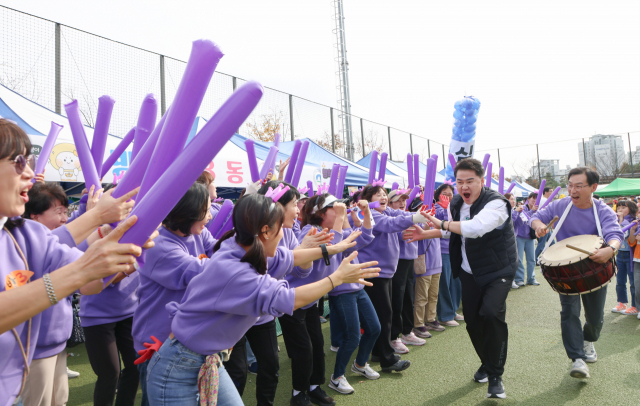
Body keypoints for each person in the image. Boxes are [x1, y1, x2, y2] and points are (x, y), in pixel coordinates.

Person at [144, 194, 380, 406]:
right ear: (265, 231)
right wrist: (336, 278)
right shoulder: (239, 272)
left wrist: (331, 249)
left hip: (203, 358)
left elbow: (288, 257)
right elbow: (290, 298)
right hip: (179, 367)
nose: (285, 235)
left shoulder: (239, 246)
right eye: (281, 229)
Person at [0, 119, 157, 406]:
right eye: (18, 161)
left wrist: (123, 249)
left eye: (30, 161)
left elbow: (90, 284)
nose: (31, 174)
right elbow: (79, 272)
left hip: (39, 357)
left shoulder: (24, 233)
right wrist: (85, 261)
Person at [404, 158, 518, 399]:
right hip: (469, 271)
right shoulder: (456, 203)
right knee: (473, 322)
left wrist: (441, 222)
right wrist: (428, 232)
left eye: (470, 181)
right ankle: (486, 362)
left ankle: (496, 375)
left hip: (498, 271)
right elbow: (451, 229)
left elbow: (475, 228)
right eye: (459, 182)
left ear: (482, 181)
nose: (464, 187)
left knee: (490, 314)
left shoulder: (497, 203)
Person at [530, 167, 622, 379]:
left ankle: (588, 339)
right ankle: (577, 358)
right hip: (565, 269)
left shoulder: (603, 210)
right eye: (570, 185)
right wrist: (539, 226)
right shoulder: (560, 205)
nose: (573, 190)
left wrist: (611, 249)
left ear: (593, 187)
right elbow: (536, 217)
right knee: (569, 311)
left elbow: (615, 234)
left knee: (596, 319)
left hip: (594, 266)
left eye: (579, 186)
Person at [132, 182, 214, 405]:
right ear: (188, 212)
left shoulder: (198, 232)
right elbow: (201, 272)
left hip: (182, 338)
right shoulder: (157, 244)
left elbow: (219, 250)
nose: (210, 216)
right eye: (205, 211)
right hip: (156, 343)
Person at [297, 194, 379, 397]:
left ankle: (360, 364)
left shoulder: (340, 229)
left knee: (374, 328)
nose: (340, 210)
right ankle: (337, 377)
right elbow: (331, 251)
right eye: (335, 208)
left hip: (356, 287)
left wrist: (366, 212)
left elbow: (366, 236)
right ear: (320, 212)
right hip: (339, 291)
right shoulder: (310, 231)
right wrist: (342, 220)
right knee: (351, 338)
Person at [358, 185, 430, 373]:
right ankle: (387, 358)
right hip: (373, 271)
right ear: (368, 199)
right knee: (383, 315)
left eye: (384, 194)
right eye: (378, 195)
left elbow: (397, 217)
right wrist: (414, 218)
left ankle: (377, 352)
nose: (382, 197)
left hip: (385, 272)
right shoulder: (370, 214)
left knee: (383, 315)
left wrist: (416, 220)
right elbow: (390, 224)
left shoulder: (386, 211)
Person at [389, 189, 426, 354]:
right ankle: (395, 336)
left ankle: (407, 331)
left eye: (404, 199)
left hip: (410, 260)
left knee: (408, 296)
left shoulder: (408, 216)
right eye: (398, 200)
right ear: (390, 204)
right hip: (397, 261)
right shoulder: (391, 219)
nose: (402, 203)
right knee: (398, 297)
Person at [410, 197, 444, 337]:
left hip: (437, 263)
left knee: (433, 295)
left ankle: (430, 319)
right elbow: (423, 232)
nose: (428, 210)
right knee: (421, 296)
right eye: (422, 208)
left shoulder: (435, 221)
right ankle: (418, 324)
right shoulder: (416, 223)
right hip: (424, 265)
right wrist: (426, 221)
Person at [433, 183, 463, 326]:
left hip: (455, 250)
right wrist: (446, 208)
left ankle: (453, 309)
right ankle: (445, 315)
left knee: (455, 282)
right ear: (438, 195)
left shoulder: (456, 207)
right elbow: (440, 221)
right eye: (444, 193)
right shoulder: (437, 208)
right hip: (442, 251)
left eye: (450, 194)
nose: (448, 196)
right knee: (444, 283)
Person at [508, 192, 539, 288]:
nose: (534, 200)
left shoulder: (537, 209)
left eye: (536, 199)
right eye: (532, 198)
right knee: (520, 260)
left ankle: (531, 278)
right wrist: (531, 211)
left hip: (530, 237)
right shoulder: (522, 208)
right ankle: (520, 279)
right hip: (520, 237)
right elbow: (524, 219)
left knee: (532, 259)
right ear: (528, 199)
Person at [612, 200, 637, 315]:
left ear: (631, 209)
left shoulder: (633, 222)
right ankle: (622, 302)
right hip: (620, 254)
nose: (620, 209)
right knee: (620, 281)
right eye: (618, 207)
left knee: (633, 282)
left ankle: (635, 305)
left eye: (623, 207)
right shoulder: (616, 221)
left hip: (630, 255)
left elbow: (623, 234)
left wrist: (621, 221)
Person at [534, 187, 552, 262]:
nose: (552, 193)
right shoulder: (544, 200)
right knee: (542, 244)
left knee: (552, 242)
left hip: (545, 223)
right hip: (544, 223)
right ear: (545, 192)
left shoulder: (543, 200)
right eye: (550, 191)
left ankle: (555, 257)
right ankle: (534, 259)